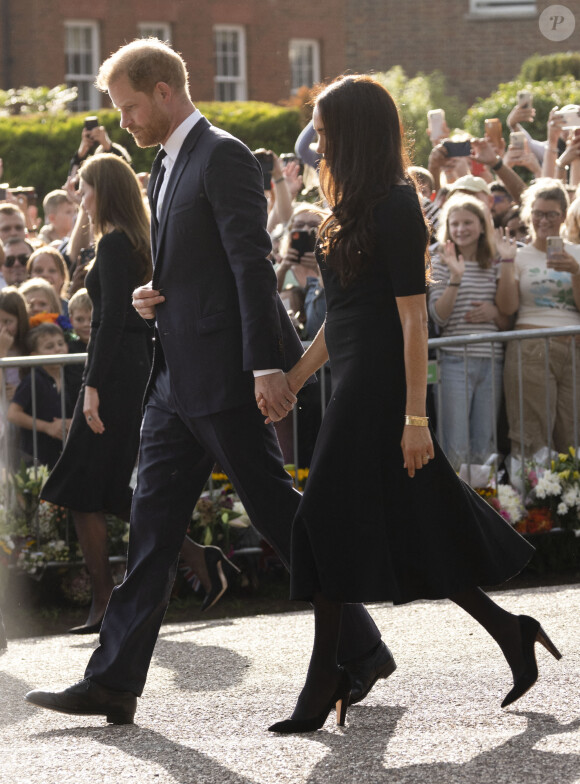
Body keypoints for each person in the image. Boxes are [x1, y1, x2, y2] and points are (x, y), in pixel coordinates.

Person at [24, 40, 394, 724]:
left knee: (280, 515)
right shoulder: (164, 162)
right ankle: (112, 680)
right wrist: (149, 295)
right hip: (173, 383)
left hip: (225, 378)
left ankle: (363, 646)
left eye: (130, 106)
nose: (125, 121)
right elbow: (196, 267)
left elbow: (250, 265)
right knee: (154, 532)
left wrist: (264, 366)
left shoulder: (220, 154)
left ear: (164, 90)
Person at [263, 76, 560, 735]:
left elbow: (412, 321)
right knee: (417, 528)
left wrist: (415, 418)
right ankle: (510, 633)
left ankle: (328, 676)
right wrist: (292, 379)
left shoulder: (398, 204)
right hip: (353, 383)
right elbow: (334, 323)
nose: (316, 142)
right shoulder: (343, 209)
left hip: (382, 392)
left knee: (318, 523)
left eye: (324, 128)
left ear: (355, 130)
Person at [36, 153, 153, 634]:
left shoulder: (115, 245)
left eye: (84, 189)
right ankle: (195, 557)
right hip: (129, 368)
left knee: (82, 488)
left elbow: (108, 323)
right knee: (99, 489)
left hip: (114, 374)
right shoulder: (137, 241)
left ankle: (105, 597)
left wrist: (92, 389)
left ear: (104, 190)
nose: (79, 199)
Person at [496, 178, 580, 457]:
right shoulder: (517, 256)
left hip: (574, 348)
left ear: (563, 216)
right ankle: (533, 499)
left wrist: (576, 272)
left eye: (551, 214)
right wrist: (507, 262)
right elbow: (507, 308)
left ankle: (571, 498)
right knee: (531, 433)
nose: (544, 220)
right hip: (530, 349)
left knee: (572, 433)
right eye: (538, 213)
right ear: (528, 215)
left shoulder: (578, 254)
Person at [428, 194, 510, 467]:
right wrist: (456, 278)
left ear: (482, 225)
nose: (461, 229)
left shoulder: (496, 260)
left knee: (484, 443)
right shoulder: (438, 259)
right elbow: (438, 316)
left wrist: (495, 312)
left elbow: (507, 319)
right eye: (455, 224)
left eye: (468, 222)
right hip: (453, 362)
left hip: (492, 360)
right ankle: (457, 508)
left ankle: (486, 504)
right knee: (455, 443)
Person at [7, 322, 73, 469]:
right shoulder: (34, 379)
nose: (58, 349)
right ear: (35, 356)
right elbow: (13, 414)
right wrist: (48, 427)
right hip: (35, 458)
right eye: (49, 347)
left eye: (60, 343)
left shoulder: (69, 376)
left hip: (59, 456)